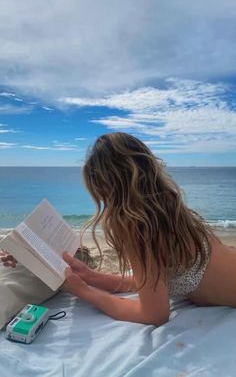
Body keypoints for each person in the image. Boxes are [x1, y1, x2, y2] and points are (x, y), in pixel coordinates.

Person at [1, 132, 236, 326]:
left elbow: (154, 315)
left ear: (107, 187)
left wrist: (84, 291)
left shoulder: (140, 228)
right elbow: (149, 282)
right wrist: (92, 277)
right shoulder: (164, 211)